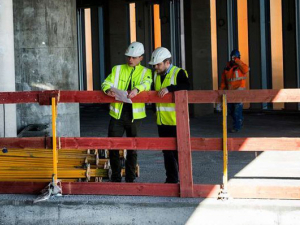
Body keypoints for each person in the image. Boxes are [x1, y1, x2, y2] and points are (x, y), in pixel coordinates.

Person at [101, 42, 152, 182]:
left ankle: (130, 178)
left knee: (133, 148)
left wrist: (137, 89)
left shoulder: (146, 72)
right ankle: (116, 177)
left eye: (134, 57)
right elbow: (106, 82)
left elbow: (147, 83)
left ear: (141, 58)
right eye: (129, 56)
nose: (130, 59)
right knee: (112, 146)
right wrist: (107, 90)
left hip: (135, 117)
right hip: (117, 115)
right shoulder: (117, 69)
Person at [149, 47, 190, 183]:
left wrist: (169, 88)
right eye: (155, 65)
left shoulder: (179, 73)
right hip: (162, 121)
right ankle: (171, 180)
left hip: (176, 121)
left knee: (179, 152)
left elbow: (187, 86)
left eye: (158, 64)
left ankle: (185, 180)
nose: (156, 67)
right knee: (167, 152)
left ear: (167, 62)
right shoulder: (156, 74)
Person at [219, 49, 249, 133]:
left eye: (235, 57)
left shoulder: (241, 67)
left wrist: (237, 60)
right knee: (230, 110)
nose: (234, 59)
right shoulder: (227, 69)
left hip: (239, 93)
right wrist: (220, 92)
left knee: (237, 110)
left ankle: (237, 127)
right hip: (230, 93)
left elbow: (246, 69)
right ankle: (239, 120)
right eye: (233, 57)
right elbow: (223, 82)